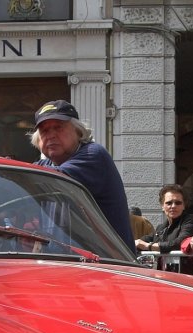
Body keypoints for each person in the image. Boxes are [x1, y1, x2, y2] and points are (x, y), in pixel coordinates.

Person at [29, 99, 135, 250]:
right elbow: (20, 176)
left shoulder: (93, 155)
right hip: (61, 265)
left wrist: (1, 165)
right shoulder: (45, 167)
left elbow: (52, 179)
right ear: (38, 140)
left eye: (58, 128)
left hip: (104, 266)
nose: (51, 135)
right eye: (44, 131)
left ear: (78, 132)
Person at [135, 184, 193, 273]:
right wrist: (134, 242)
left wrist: (148, 246)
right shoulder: (161, 227)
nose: (173, 206)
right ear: (162, 206)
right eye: (169, 203)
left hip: (184, 277)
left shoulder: (189, 223)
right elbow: (145, 239)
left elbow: (179, 243)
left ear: (184, 206)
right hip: (163, 276)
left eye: (178, 203)